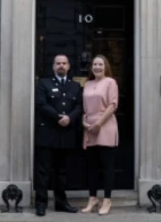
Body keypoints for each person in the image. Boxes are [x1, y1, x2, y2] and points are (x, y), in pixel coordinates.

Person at [34, 54, 82, 217]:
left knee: (62, 172)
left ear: (68, 66)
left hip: (66, 134)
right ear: (53, 67)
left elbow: (79, 106)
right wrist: (58, 117)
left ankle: (61, 203)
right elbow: (41, 104)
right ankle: (41, 204)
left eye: (64, 63)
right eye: (58, 63)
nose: (61, 66)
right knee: (43, 172)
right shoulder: (44, 83)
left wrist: (70, 118)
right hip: (47, 133)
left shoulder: (75, 86)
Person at [81, 55, 119, 215]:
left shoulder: (111, 82)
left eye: (100, 64)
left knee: (107, 166)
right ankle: (92, 198)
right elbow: (84, 107)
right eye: (95, 64)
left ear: (106, 67)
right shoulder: (87, 84)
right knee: (92, 167)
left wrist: (99, 123)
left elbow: (113, 105)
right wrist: (84, 121)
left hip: (105, 125)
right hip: (89, 127)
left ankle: (107, 200)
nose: (97, 67)